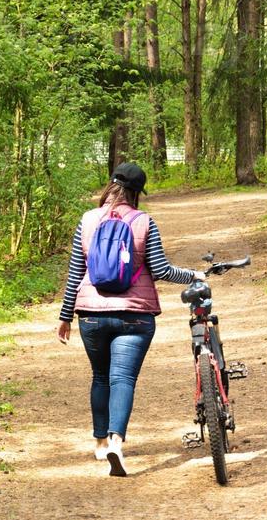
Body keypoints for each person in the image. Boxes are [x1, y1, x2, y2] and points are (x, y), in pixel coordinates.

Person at [57, 162, 204, 477]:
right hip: (135, 317)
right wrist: (193, 274)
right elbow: (162, 270)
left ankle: (98, 443)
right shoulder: (144, 222)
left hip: (91, 316)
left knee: (100, 377)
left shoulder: (87, 221)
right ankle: (116, 442)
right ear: (137, 193)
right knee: (122, 379)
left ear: (110, 186)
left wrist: (65, 315)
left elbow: (75, 274)